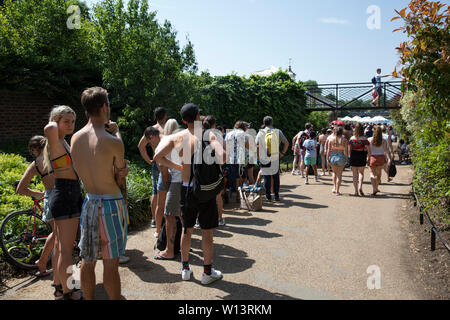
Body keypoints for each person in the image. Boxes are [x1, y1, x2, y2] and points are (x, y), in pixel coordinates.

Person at [153, 103, 224, 285]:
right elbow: (223, 157)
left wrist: (178, 166)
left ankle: (185, 269)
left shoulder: (177, 136)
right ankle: (207, 272)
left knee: (187, 229)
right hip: (205, 189)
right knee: (207, 232)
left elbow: (157, 157)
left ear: (183, 120)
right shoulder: (209, 134)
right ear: (199, 116)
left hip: (185, 187)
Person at [71, 87, 128, 300]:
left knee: (88, 260)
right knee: (111, 265)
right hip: (111, 204)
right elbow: (119, 177)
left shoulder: (76, 138)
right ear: (104, 107)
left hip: (90, 202)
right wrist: (117, 131)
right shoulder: (113, 141)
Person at [43, 105, 83, 300]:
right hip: (66, 194)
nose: (71, 124)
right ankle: (69, 291)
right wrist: (55, 120)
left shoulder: (62, 141)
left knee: (61, 246)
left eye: (73, 121)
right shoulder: (54, 138)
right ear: (56, 121)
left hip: (67, 193)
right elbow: (48, 128)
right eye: (66, 121)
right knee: (67, 249)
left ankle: (59, 286)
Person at [16, 136, 57, 286]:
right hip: (60, 195)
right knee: (59, 233)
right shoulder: (52, 157)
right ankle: (43, 261)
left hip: (50, 196)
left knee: (58, 232)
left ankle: (45, 262)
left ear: (34, 149)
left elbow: (20, 189)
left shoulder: (35, 164)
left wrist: (40, 194)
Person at [154, 119, 183, 260]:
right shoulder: (184, 139)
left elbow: (159, 162)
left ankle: (169, 250)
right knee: (183, 215)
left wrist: (175, 170)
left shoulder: (166, 142)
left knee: (169, 216)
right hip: (188, 182)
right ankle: (184, 244)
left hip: (176, 182)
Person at [137, 107, 167, 234]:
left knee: (155, 192)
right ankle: (164, 219)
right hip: (166, 164)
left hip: (155, 163)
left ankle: (154, 220)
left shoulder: (151, 130)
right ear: (165, 116)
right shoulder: (167, 129)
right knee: (165, 192)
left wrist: (149, 160)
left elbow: (140, 146)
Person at [256, 116, 289, 202]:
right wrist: (282, 153)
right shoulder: (278, 131)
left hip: (264, 157)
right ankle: (277, 196)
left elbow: (256, 145)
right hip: (275, 156)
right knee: (275, 177)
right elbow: (286, 143)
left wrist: (258, 157)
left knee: (266, 177)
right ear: (272, 123)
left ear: (264, 123)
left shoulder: (261, 132)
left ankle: (268, 196)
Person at [203, 116, 226, 227]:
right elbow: (225, 149)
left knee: (202, 194)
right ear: (214, 124)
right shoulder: (217, 135)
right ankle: (220, 218)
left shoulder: (201, 134)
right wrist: (221, 164)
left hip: (203, 167)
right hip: (216, 167)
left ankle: (200, 219)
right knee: (217, 195)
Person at [225, 121, 249, 203]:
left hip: (232, 159)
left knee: (236, 177)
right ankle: (244, 195)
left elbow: (226, 147)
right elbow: (247, 147)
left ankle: (238, 196)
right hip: (242, 159)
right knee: (244, 176)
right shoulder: (244, 134)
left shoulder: (228, 134)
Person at [368, 126, 392, 196]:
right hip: (381, 158)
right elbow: (385, 151)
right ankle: (377, 187)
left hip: (372, 157)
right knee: (378, 175)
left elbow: (368, 151)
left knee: (372, 174)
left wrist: (367, 158)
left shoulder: (369, 140)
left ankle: (374, 188)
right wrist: (389, 158)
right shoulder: (383, 140)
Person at [348, 123, 369, 196]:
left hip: (354, 155)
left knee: (354, 175)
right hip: (362, 154)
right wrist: (368, 157)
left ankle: (356, 191)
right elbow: (367, 148)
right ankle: (360, 187)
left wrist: (349, 157)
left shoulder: (352, 138)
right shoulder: (364, 139)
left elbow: (349, 150)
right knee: (361, 173)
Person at [326, 126, 348, 195]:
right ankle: (337, 190)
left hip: (333, 156)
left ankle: (334, 187)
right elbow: (346, 151)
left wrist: (327, 158)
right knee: (339, 174)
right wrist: (347, 159)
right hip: (341, 156)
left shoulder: (331, 140)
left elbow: (328, 150)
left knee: (334, 173)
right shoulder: (344, 140)